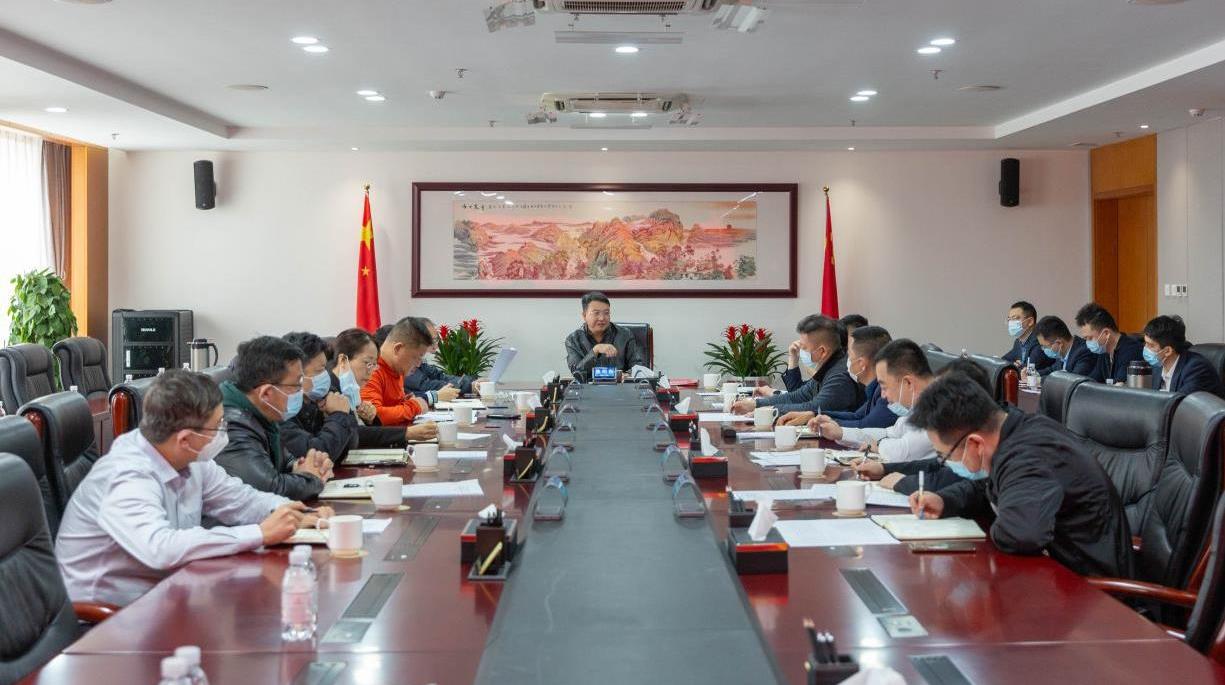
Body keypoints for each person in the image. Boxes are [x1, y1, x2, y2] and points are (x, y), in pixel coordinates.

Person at [55, 369, 333, 606]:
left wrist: (292, 513)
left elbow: (240, 500)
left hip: (166, 595)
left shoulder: (190, 458)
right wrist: (260, 533)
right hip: (108, 620)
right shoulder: (127, 476)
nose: (224, 432)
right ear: (185, 439)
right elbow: (161, 548)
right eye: (218, 427)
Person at [907, 373, 1133, 578]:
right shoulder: (1015, 431)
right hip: (1054, 576)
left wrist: (996, 526)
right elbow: (991, 488)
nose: (947, 463)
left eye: (945, 456)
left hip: (1092, 591)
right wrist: (945, 501)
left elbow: (1023, 532)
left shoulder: (1028, 456)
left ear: (975, 443)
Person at [215, 336, 333, 500]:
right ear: (266, 393)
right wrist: (313, 479)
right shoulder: (231, 425)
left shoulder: (263, 412)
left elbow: (286, 461)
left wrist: (304, 466)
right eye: (297, 385)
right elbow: (269, 488)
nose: (302, 391)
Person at [853, 359, 993, 495]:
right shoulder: (983, 445)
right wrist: (884, 469)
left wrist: (904, 483)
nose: (883, 395)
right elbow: (937, 465)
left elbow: (951, 478)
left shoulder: (1001, 458)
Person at [808, 339, 935, 463]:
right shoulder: (917, 407)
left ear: (908, 383)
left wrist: (878, 446)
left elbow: (903, 451)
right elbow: (889, 433)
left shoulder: (939, 406)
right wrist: (840, 433)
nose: (883, 395)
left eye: (884, 387)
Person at [734, 314, 861, 418]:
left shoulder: (840, 375)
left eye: (804, 348)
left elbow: (814, 408)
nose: (801, 352)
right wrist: (756, 403)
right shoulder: (828, 367)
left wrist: (768, 410)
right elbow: (797, 397)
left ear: (822, 351)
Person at [332, 327, 434, 446]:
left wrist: (370, 419)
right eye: (368, 363)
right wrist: (407, 433)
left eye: (374, 365)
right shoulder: (330, 393)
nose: (371, 372)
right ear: (343, 360)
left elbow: (361, 431)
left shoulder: (350, 389)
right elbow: (352, 434)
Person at [794, 325, 896, 429]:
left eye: (849, 356)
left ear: (861, 363)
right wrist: (814, 415)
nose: (847, 362)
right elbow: (856, 416)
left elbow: (866, 426)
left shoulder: (886, 392)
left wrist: (821, 423)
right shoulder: (875, 389)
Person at [279, 331, 358, 462]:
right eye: (319, 371)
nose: (325, 375)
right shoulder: (281, 408)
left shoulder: (323, 396)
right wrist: (338, 416)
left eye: (325, 369)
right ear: (296, 374)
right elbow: (315, 456)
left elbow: (350, 447)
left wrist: (332, 416)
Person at [361, 317, 437, 437]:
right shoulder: (371, 370)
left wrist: (405, 402)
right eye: (416, 357)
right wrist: (414, 406)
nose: (418, 364)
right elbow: (375, 416)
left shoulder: (397, 368)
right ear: (397, 349)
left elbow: (392, 406)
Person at [564, 291, 649, 379]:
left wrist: (628, 375)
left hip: (620, 386)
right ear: (584, 315)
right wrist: (595, 351)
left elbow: (638, 368)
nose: (602, 318)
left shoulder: (625, 335)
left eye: (606, 313)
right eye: (596, 313)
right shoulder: (573, 340)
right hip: (588, 387)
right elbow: (577, 373)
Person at [1143, 315, 1225, 397]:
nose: (1145, 348)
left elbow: (1178, 402)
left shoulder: (1196, 369)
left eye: (1151, 345)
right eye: (1145, 343)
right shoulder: (1158, 366)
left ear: (1167, 351)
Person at [404, 319, 473, 404]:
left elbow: (440, 376)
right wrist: (469, 386)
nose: (436, 344)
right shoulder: (406, 361)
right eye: (433, 339)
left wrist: (472, 382)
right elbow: (426, 386)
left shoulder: (420, 360)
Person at [1075, 302, 1144, 385]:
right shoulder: (1104, 352)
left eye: (1090, 338)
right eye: (1085, 339)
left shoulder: (1131, 352)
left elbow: (1119, 388)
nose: (1087, 343)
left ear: (1106, 333)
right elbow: (1092, 382)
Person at [1002, 301, 1055, 373]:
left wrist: (1015, 367)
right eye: (1009, 319)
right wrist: (1012, 364)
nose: (1011, 323)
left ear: (1030, 321)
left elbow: (1030, 371)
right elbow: (1004, 360)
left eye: (1015, 318)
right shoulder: (1018, 342)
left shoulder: (1040, 340)